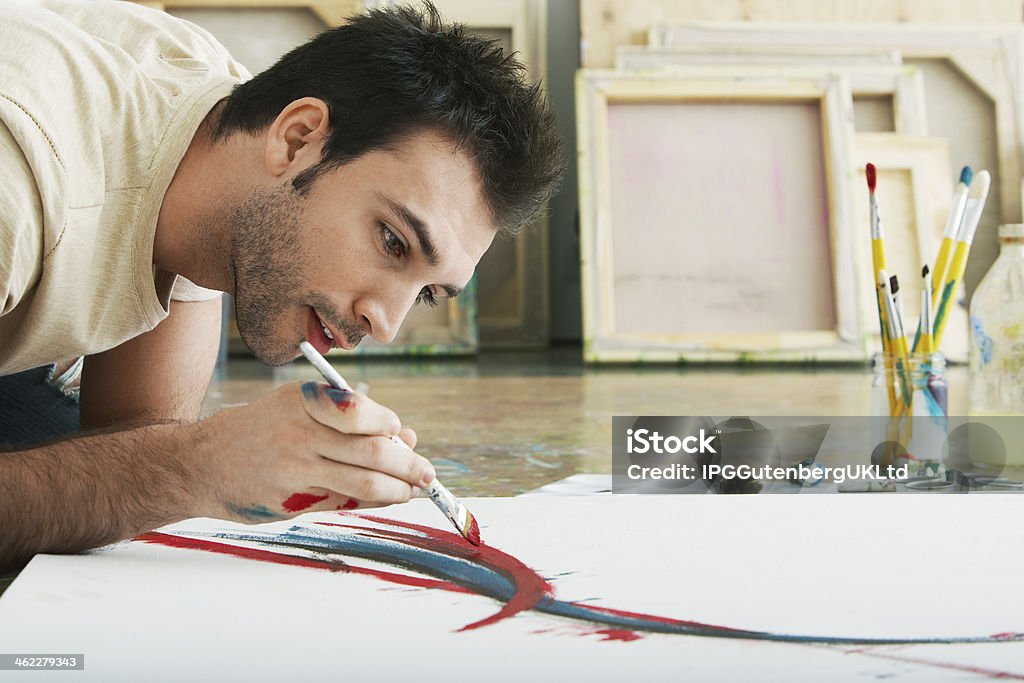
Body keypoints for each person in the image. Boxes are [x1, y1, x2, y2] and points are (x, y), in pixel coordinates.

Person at [0, 0, 564, 569]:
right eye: (393, 241)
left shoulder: (225, 152)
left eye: (425, 293)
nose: (385, 324)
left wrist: (187, 463)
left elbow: (136, 438)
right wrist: (200, 465)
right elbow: (166, 465)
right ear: (295, 139)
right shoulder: (18, 184)